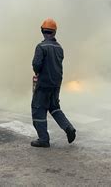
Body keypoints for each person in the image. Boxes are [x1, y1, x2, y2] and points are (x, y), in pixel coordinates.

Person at [31, 18, 76, 148]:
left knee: (38, 109)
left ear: (42, 31)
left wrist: (37, 71)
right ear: (54, 32)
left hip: (43, 84)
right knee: (54, 108)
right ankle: (68, 128)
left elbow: (36, 64)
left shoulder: (41, 47)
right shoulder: (59, 48)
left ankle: (43, 139)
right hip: (56, 84)